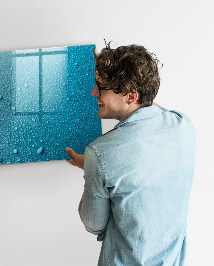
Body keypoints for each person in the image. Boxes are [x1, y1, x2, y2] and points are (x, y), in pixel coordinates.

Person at [65, 43, 196, 265]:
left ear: (131, 96)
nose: (93, 92)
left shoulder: (100, 153)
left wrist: (92, 168)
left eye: (101, 87)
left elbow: (93, 225)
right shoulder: (183, 125)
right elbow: (148, 106)